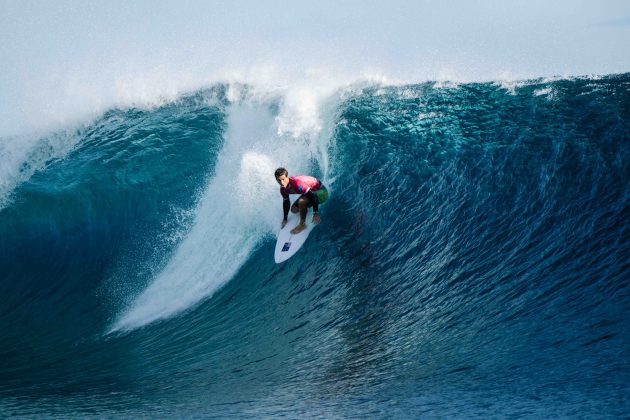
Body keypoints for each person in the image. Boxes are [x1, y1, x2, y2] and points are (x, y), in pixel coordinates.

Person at [275, 167, 328, 234]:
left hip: (322, 192)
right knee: (294, 210)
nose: (281, 182)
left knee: (301, 201)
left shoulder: (296, 183)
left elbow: (313, 196)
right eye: (279, 180)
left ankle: (302, 224)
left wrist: (315, 213)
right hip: (310, 192)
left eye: (283, 179)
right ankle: (305, 207)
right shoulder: (283, 189)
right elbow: (286, 202)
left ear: (287, 177)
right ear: (276, 180)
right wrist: (285, 219)